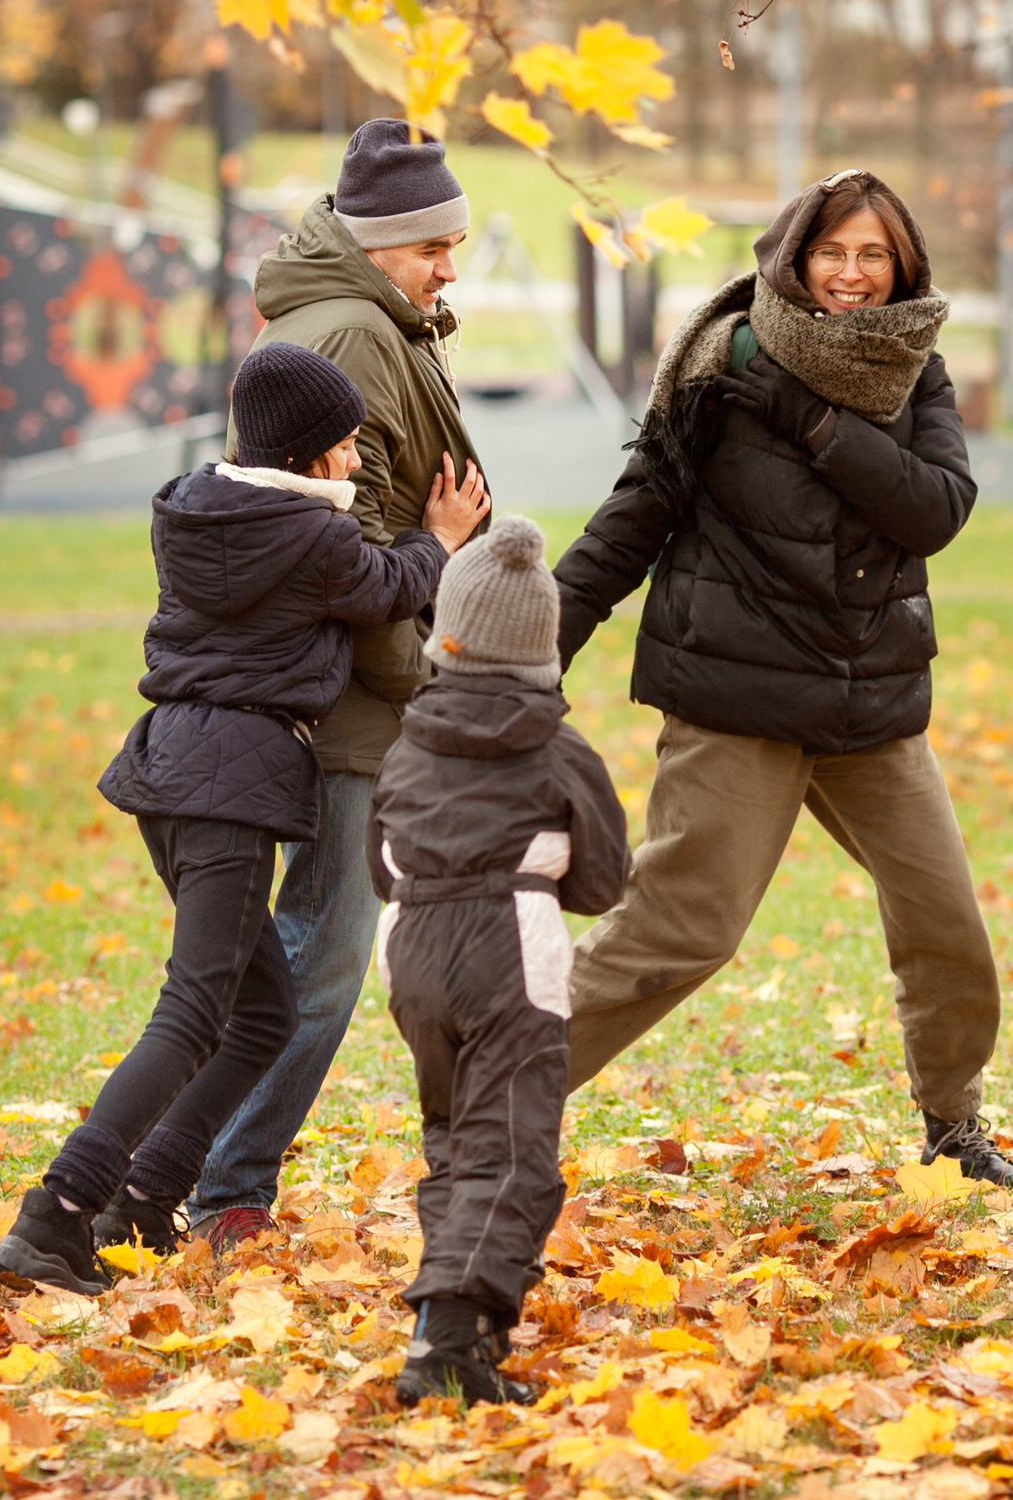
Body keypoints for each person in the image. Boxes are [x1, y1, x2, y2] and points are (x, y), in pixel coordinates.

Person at [552, 169, 1013, 1188]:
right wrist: (535, 644)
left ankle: (954, 1130)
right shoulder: (719, 374)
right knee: (681, 931)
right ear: (793, 260)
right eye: (833, 253)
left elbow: (935, 510)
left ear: (902, 268)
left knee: (945, 924)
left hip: (871, 705)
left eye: (874, 256)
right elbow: (632, 518)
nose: (852, 275)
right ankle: (490, 1091)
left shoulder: (915, 371)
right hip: (740, 698)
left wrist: (814, 423)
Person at [0, 344, 489, 1294]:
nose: (351, 465)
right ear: (303, 457)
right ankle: (52, 1216)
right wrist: (444, 538)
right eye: (341, 448)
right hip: (233, 780)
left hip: (169, 761)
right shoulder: (310, 535)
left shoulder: (191, 506)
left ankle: (145, 1197)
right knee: (192, 1013)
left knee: (262, 1014)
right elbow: (389, 588)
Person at [185, 121, 491, 1251]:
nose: (449, 268)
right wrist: (425, 670)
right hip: (349, 702)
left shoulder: (370, 318)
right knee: (320, 959)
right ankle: (222, 1188)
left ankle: (207, 1171)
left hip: (343, 691)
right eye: (432, 248)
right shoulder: (357, 333)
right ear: (377, 246)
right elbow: (342, 549)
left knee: (300, 953)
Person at [367, 517, 629, 1404]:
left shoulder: (407, 742)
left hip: (408, 952)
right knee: (513, 1152)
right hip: (508, 951)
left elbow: (380, 854)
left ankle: (456, 1329)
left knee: (454, 1141)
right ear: (542, 649)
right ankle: (448, 1341)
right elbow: (603, 879)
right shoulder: (559, 751)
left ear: (448, 631)